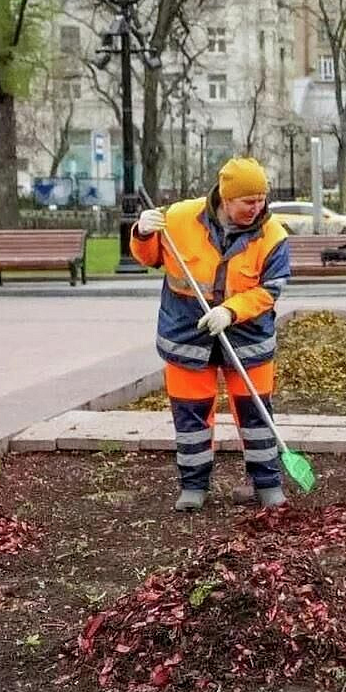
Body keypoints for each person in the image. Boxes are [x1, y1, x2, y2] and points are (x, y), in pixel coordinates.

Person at [130, 158, 292, 512]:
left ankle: (266, 483)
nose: (257, 208)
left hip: (248, 338)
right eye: (249, 201)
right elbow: (149, 257)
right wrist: (142, 232)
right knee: (190, 417)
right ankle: (193, 485)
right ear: (226, 196)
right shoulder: (177, 219)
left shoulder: (273, 235)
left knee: (256, 413)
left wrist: (230, 311)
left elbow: (270, 290)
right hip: (187, 336)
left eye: (262, 199)